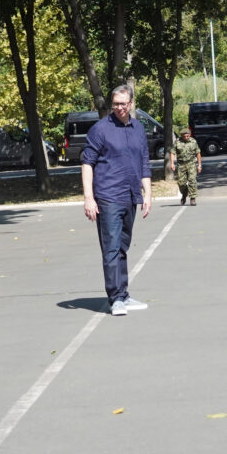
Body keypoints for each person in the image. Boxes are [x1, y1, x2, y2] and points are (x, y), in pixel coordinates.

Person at [81, 84, 153, 316]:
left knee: (122, 247)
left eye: (123, 103)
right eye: (115, 104)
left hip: (130, 195)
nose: (119, 108)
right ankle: (115, 298)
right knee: (111, 248)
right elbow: (87, 164)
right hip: (108, 196)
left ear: (131, 103)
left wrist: (147, 194)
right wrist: (89, 198)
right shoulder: (100, 129)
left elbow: (144, 162)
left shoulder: (138, 128)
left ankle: (124, 294)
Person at [170, 127, 201, 206]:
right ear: (181, 135)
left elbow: (198, 153)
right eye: (184, 136)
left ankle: (192, 198)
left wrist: (199, 165)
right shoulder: (177, 142)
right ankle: (184, 193)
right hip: (181, 164)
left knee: (192, 180)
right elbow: (172, 152)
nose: (186, 137)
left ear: (189, 135)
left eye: (187, 136)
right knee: (181, 183)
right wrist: (172, 163)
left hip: (191, 163)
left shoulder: (193, 141)